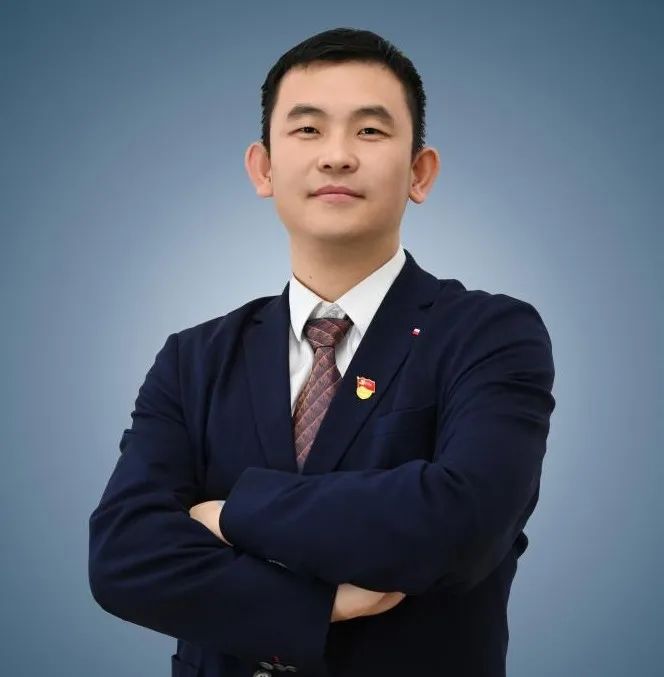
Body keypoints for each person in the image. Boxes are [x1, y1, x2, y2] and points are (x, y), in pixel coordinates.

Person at [88, 27, 556, 677]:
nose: (336, 156)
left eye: (370, 130)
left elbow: (462, 523)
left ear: (420, 172)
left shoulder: (489, 334)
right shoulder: (193, 359)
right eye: (308, 129)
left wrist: (232, 513)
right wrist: (318, 605)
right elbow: (124, 556)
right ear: (264, 168)